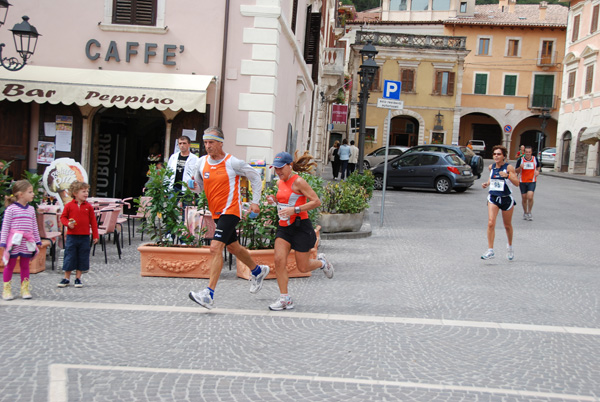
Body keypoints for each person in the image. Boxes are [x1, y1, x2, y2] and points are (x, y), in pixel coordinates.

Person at [187, 126, 270, 309]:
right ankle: (257, 270)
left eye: (211, 142)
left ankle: (209, 294)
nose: (208, 146)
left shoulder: (233, 163)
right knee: (233, 247)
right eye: (206, 142)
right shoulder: (201, 163)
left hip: (231, 211)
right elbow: (199, 188)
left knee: (215, 248)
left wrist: (255, 201)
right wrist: (192, 185)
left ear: (220, 143)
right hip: (216, 212)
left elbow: (255, 176)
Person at [266, 151, 334, 311]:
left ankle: (322, 263)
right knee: (278, 260)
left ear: (290, 166)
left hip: (300, 227)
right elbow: (283, 201)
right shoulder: (278, 183)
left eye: (281, 168)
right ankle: (285, 298)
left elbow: (316, 201)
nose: (278, 172)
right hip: (284, 228)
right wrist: (274, 200)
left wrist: (295, 209)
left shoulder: (299, 182)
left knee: (302, 267)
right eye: (276, 169)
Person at [0, 180, 42, 300]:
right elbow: (5, 227)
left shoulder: (31, 210)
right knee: (10, 265)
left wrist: (37, 241)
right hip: (14, 242)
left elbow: (34, 226)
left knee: (25, 265)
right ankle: (6, 290)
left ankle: (25, 288)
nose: (33, 194)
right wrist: (3, 242)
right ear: (20, 194)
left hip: (26, 242)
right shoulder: (11, 209)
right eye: (30, 192)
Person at [481, 145, 519, 261]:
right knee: (491, 222)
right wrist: (487, 184)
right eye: (495, 154)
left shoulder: (509, 168)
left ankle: (510, 247)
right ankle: (490, 250)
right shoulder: (491, 167)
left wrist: (507, 176)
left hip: (506, 199)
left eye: (499, 154)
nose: (496, 156)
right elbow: (492, 179)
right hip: (493, 197)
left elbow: (517, 183)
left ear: (503, 156)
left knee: (507, 226)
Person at [58, 181, 99, 288]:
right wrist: (68, 224)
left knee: (82, 256)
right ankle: (66, 278)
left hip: (85, 236)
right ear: (75, 193)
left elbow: (93, 222)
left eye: (87, 191)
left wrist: (95, 235)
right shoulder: (69, 206)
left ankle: (78, 278)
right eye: (83, 191)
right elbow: (63, 217)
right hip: (72, 236)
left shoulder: (89, 207)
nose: (86, 193)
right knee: (69, 256)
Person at [515, 146, 540, 221]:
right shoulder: (521, 160)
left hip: (532, 181)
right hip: (522, 181)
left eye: (529, 152)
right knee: (524, 197)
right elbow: (516, 171)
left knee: (530, 196)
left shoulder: (535, 159)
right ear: (524, 152)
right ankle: (525, 212)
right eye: (526, 152)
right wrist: (520, 167)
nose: (528, 154)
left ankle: (529, 212)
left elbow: (538, 166)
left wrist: (537, 171)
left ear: (531, 152)